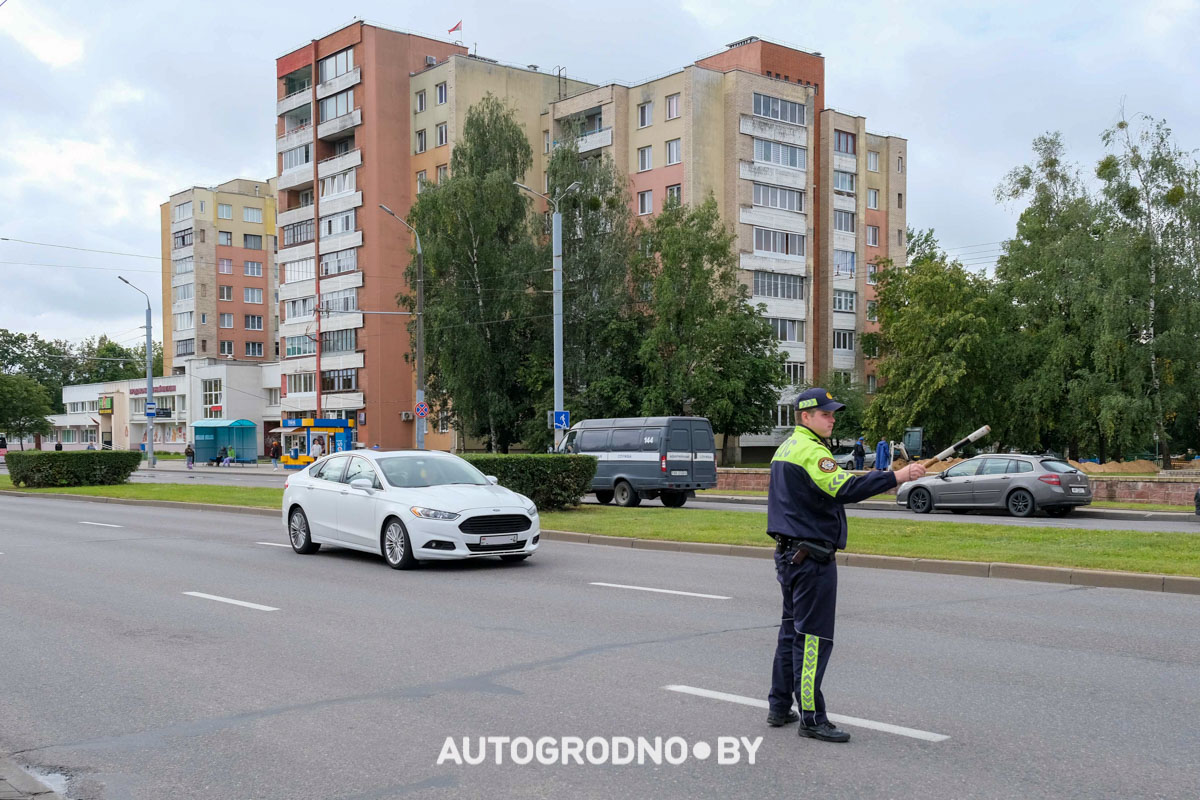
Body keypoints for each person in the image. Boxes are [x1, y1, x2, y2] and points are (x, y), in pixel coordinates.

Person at [767, 387, 926, 743]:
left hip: (791, 554)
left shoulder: (787, 447)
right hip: (811, 559)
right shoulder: (810, 451)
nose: (832, 417)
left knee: (791, 631)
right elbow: (843, 488)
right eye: (825, 413)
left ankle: (779, 706)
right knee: (813, 639)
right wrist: (897, 477)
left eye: (832, 413)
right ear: (805, 417)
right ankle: (811, 717)